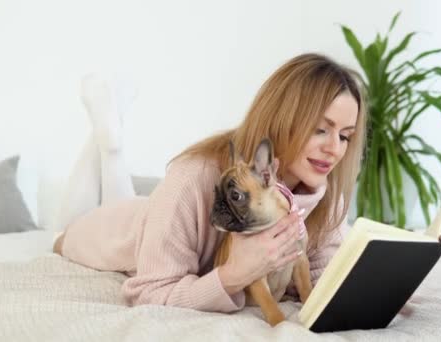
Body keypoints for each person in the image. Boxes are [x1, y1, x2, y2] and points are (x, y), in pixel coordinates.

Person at [54, 53, 367, 314]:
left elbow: (319, 276)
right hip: (114, 233)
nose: (335, 149)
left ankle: (109, 145)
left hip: (148, 211)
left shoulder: (325, 193)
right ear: (282, 118)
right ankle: (108, 144)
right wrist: (233, 276)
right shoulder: (192, 177)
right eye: (320, 130)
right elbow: (149, 293)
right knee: (65, 227)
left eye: (345, 136)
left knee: (121, 185)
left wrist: (377, 287)